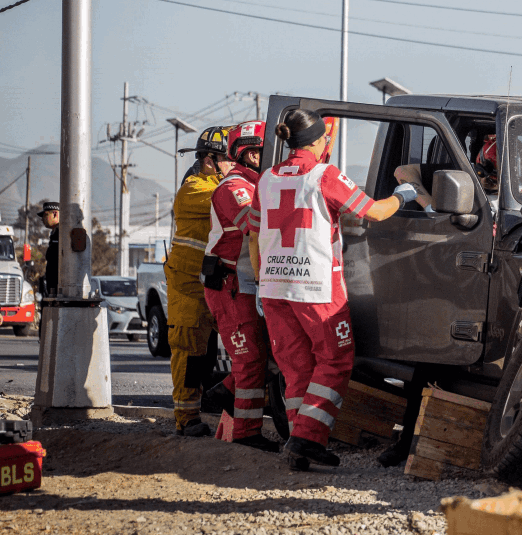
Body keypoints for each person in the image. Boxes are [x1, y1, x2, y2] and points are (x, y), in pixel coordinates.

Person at [248, 108, 414, 470]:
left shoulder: (266, 179)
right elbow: (374, 212)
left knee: (296, 368)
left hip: (274, 288)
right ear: (320, 139)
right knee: (336, 360)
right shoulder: (326, 175)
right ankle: (307, 437)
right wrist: (404, 195)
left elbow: (253, 232)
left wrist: (261, 280)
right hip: (317, 288)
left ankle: (297, 442)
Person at [203, 120, 278, 452]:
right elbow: (254, 224)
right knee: (249, 361)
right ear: (249, 153)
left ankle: (224, 392)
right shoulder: (235, 188)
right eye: (266, 152)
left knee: (261, 356)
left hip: (246, 285)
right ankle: (247, 435)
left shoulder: (258, 184)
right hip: (230, 287)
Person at [166, 126, 233, 436]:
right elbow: (230, 200)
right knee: (190, 351)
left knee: (246, 342)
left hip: (213, 282)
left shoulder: (219, 184)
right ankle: (187, 417)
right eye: (229, 159)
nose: (235, 166)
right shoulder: (196, 189)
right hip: (188, 286)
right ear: (209, 160)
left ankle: (225, 398)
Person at [38, 202, 60, 297]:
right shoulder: (54, 233)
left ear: (55, 214)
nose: (42, 219)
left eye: (46, 215)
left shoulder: (62, 232)